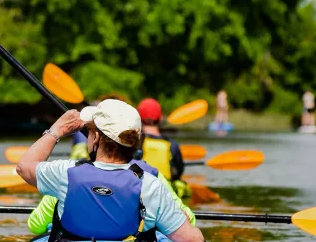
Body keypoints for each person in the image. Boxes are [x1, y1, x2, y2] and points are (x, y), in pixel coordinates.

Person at [17, 99, 205, 242]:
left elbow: (24, 167)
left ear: (96, 138)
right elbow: (192, 239)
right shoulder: (151, 185)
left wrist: (57, 129)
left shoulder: (65, 173)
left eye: (89, 133)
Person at [136, 98, 190, 199]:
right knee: (181, 186)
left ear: (138, 119)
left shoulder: (134, 143)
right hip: (164, 195)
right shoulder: (172, 145)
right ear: (160, 118)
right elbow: (179, 172)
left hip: (140, 193)